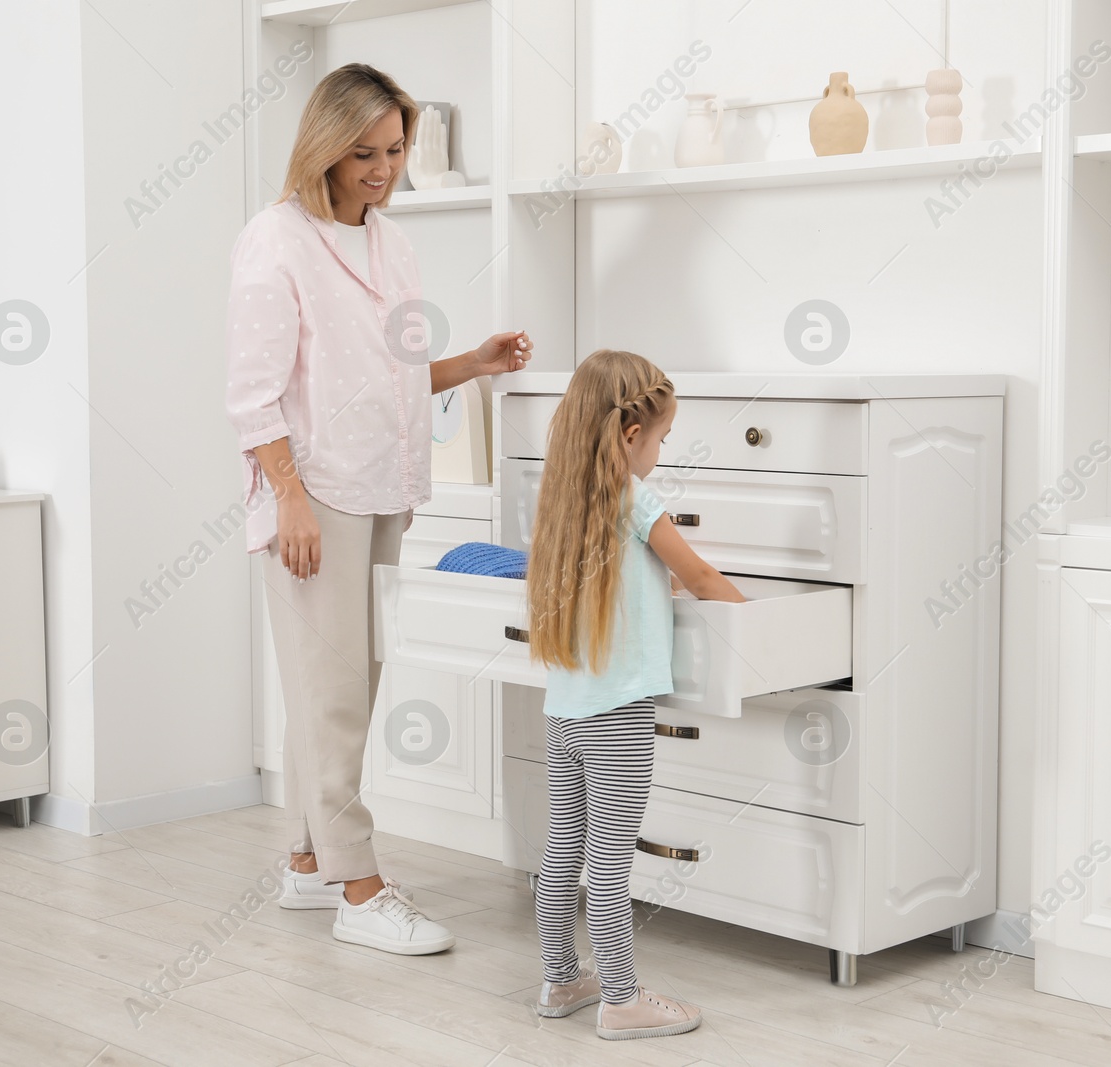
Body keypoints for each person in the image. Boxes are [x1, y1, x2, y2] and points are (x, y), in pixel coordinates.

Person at [224, 62, 532, 955]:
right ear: (324, 145)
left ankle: (306, 863)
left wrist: (469, 362)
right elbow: (252, 395)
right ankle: (360, 887)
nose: (381, 168)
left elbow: (390, 374)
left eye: (395, 149)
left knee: (343, 685)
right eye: (363, 151)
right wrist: (290, 498)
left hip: (384, 485)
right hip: (314, 492)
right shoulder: (274, 242)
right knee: (334, 697)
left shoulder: (392, 244)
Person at [524, 349, 745, 1040]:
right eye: (660, 438)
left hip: (564, 710)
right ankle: (621, 998)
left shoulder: (564, 499)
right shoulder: (634, 499)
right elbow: (701, 575)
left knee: (563, 850)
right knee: (613, 865)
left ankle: (562, 977)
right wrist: (758, 621)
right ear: (629, 435)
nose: (659, 450)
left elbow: (631, 584)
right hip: (618, 717)